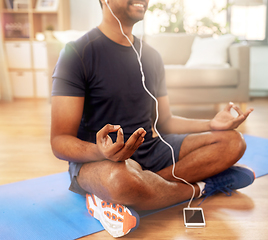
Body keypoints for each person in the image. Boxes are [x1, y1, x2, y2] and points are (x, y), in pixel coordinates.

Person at [50, 0, 255, 237]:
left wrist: (210, 125)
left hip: (151, 151)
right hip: (101, 162)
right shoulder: (76, 53)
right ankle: (204, 186)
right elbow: (59, 141)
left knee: (233, 141)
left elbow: (164, 122)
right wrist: (101, 152)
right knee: (120, 181)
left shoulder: (151, 56)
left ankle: (140, 191)